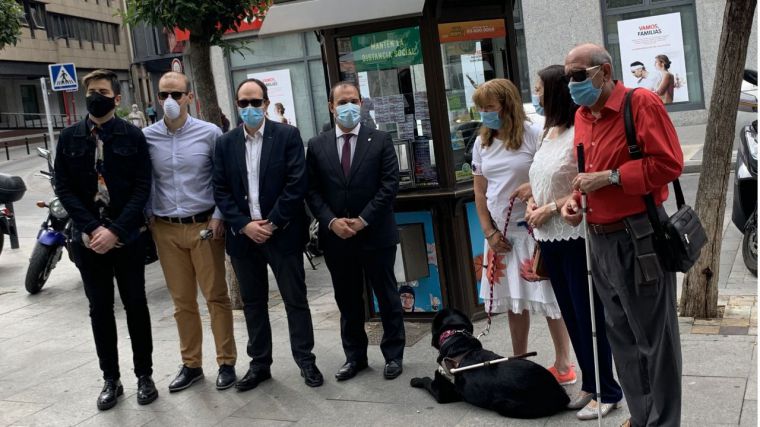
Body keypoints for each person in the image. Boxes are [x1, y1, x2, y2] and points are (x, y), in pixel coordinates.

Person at [561, 43, 684, 427]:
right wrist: (576, 200)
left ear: (604, 70)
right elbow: (587, 172)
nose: (572, 84)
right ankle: (642, 414)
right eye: (568, 77)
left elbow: (669, 163)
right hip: (598, 238)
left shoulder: (640, 102)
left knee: (654, 340)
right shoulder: (583, 115)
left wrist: (612, 178)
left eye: (578, 75)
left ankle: (662, 421)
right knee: (621, 338)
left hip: (639, 234)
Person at [53, 69, 157, 410]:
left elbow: (143, 186)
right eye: (91, 91)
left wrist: (116, 229)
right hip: (88, 240)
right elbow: (63, 186)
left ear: (116, 98)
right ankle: (110, 379)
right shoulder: (69, 137)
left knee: (136, 306)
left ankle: (145, 375)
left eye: (102, 91)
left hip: (127, 238)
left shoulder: (132, 135)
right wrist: (92, 228)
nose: (95, 96)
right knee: (99, 309)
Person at [524, 65, 623, 420]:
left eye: (538, 89)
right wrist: (532, 202)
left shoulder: (578, 133)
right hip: (548, 236)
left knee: (589, 317)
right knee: (571, 315)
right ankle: (589, 384)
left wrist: (550, 207)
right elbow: (538, 178)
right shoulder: (548, 132)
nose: (534, 95)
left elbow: (581, 183)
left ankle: (608, 389)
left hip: (574, 235)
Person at [213, 78, 323, 390]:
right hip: (243, 236)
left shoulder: (287, 136)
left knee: (295, 300)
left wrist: (272, 223)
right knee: (253, 302)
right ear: (237, 105)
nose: (249, 108)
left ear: (265, 102)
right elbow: (220, 190)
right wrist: (244, 224)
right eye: (243, 103)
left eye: (255, 102)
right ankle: (260, 364)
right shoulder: (224, 143)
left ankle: (306, 361)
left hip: (283, 233)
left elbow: (296, 184)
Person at [470, 78, 574, 384]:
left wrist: (535, 202)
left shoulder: (534, 133)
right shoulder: (482, 142)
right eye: (481, 108)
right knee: (514, 300)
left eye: (490, 107)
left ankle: (564, 363)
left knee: (550, 298)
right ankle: (519, 360)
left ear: (508, 106)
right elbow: (479, 192)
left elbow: (550, 174)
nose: (485, 114)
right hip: (501, 235)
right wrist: (488, 231)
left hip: (533, 230)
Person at [143, 71, 237, 393]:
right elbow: (146, 182)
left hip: (204, 226)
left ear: (189, 97)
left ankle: (226, 362)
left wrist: (219, 217)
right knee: (182, 302)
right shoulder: (147, 137)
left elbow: (222, 178)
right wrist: (149, 219)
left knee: (216, 296)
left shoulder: (209, 133)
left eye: (176, 94)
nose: (169, 101)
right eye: (163, 95)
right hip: (167, 228)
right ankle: (191, 364)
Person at [306, 81, 405, 382]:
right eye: (342, 101)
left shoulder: (381, 139)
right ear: (331, 106)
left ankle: (393, 355)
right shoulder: (317, 144)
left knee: (387, 297)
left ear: (361, 103)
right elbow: (311, 191)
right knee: (348, 302)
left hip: (375, 234)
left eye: (353, 100)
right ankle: (355, 357)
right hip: (337, 239)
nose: (348, 106)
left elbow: (389, 185)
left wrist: (363, 220)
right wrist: (331, 221)